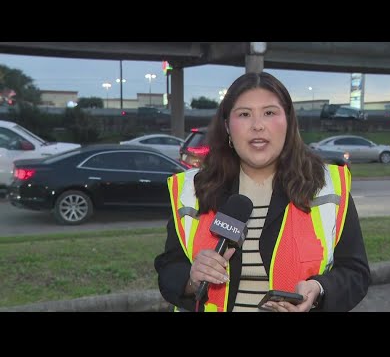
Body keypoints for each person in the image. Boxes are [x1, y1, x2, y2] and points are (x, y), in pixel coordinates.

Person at [154, 72, 370, 312]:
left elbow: (355, 272)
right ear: (227, 126)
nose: (257, 125)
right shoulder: (193, 189)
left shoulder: (327, 184)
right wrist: (192, 279)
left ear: (288, 121)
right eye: (244, 114)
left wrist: (319, 289)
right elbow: (169, 268)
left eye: (269, 113)